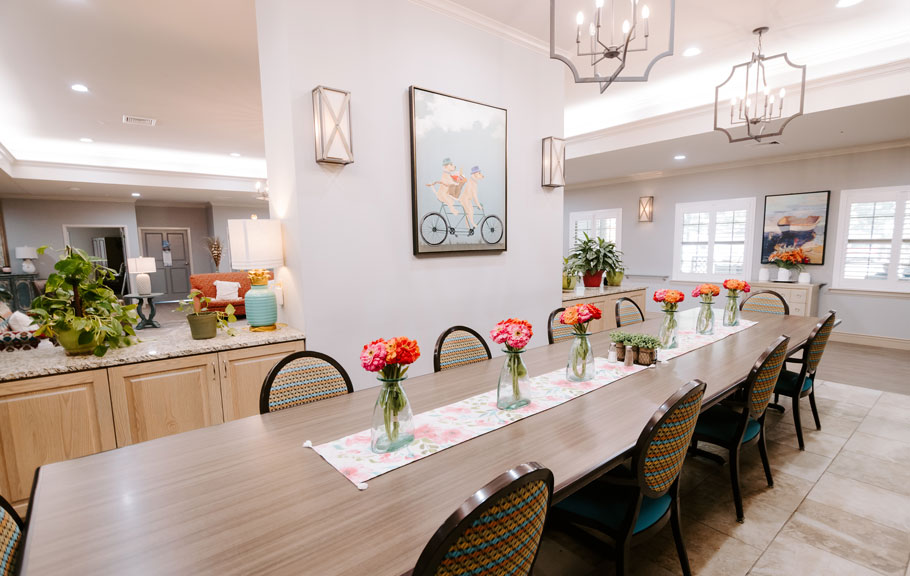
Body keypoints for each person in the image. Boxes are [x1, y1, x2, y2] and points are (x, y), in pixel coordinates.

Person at [460, 166, 484, 234]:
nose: (481, 175)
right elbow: (474, 196)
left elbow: (474, 195)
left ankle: (468, 228)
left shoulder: (473, 181)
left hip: (467, 199)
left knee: (469, 212)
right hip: (465, 199)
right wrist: (478, 205)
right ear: (475, 174)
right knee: (470, 211)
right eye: (479, 173)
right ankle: (472, 224)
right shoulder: (472, 182)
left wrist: (478, 204)